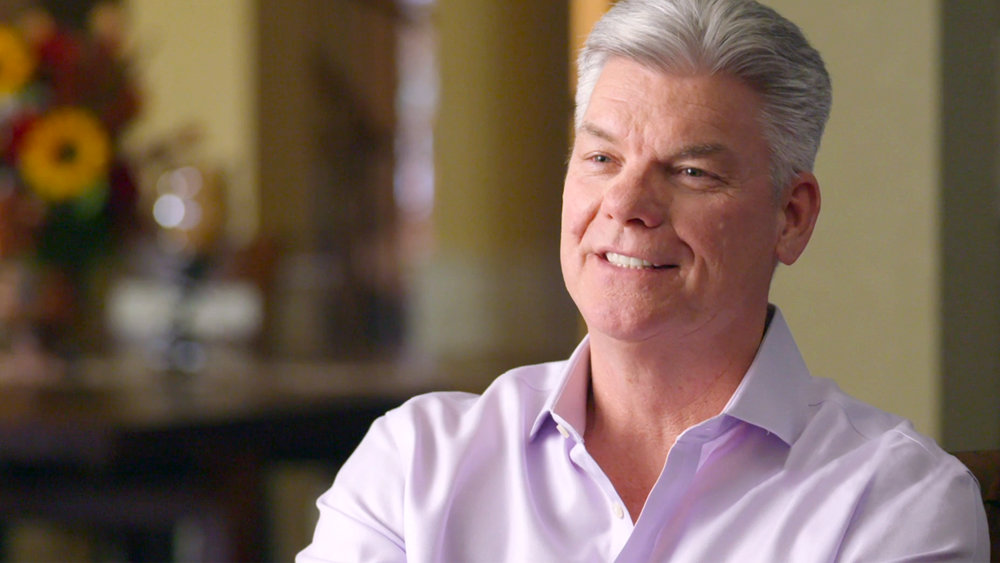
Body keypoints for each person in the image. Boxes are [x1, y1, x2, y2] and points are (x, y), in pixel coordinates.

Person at [298, 0, 990, 560]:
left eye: (691, 172)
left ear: (792, 216)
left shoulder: (893, 502)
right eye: (601, 158)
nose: (626, 204)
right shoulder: (413, 466)